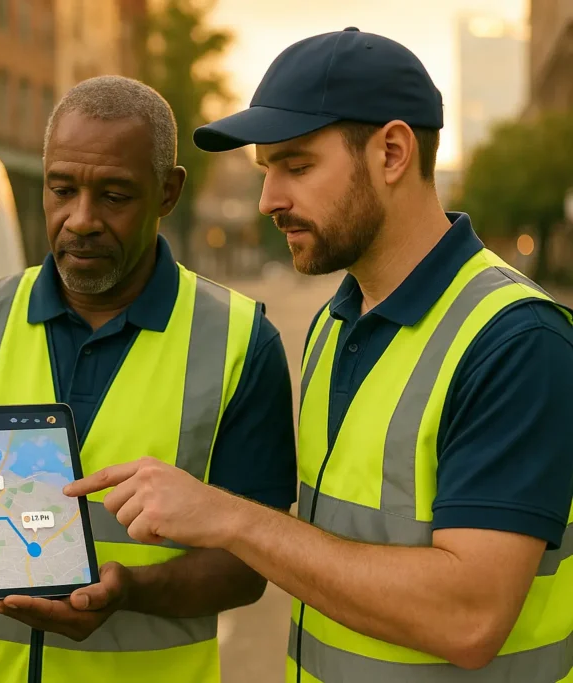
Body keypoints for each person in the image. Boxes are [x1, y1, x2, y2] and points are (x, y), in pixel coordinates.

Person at [65, 28, 573, 683]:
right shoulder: (336, 324)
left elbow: (469, 618)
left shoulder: (514, 340)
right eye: (265, 170)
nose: (268, 200)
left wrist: (226, 516)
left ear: (392, 151)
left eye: (296, 166)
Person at [0, 75, 299, 683]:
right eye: (62, 189)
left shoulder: (242, 343)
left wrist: (128, 589)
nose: (80, 219)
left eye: (115, 195)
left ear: (167, 192)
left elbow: (251, 566)